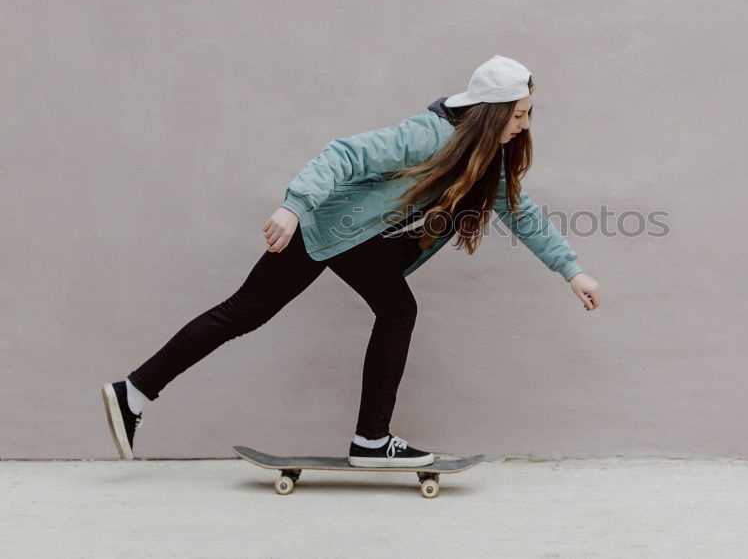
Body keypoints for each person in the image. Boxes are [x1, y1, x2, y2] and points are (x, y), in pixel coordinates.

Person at [101, 55, 601, 466]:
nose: (525, 124)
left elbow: (522, 214)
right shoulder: (429, 135)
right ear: (492, 112)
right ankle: (137, 393)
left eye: (529, 113)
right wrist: (293, 206)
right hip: (325, 228)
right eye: (518, 114)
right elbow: (344, 155)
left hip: (357, 243)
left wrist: (571, 270)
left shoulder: (485, 159)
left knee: (374, 311)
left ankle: (367, 440)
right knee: (246, 313)